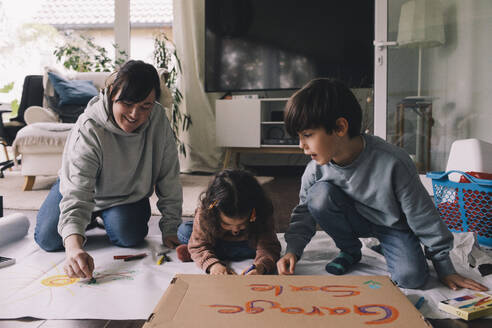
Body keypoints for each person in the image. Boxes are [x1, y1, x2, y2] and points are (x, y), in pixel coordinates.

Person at [276, 78, 488, 291]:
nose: (301, 145)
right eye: (299, 137)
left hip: (392, 226)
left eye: (307, 135)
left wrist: (444, 267)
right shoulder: (315, 169)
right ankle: (350, 251)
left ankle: (389, 246)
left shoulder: (393, 161)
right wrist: (292, 251)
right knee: (318, 195)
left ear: (340, 127)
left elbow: (422, 214)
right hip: (353, 219)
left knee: (411, 278)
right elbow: (304, 213)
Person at [34, 60, 183, 279]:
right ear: (112, 93)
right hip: (80, 188)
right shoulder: (89, 127)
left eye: (145, 106)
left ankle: (100, 217)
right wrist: (74, 248)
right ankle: (89, 218)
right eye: (128, 103)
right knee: (49, 240)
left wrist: (171, 227)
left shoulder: (158, 119)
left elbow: (168, 176)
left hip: (126, 194)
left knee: (130, 237)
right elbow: (77, 192)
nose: (135, 114)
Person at [176, 169, 281, 275]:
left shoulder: (262, 210)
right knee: (184, 231)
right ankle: (204, 255)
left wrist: (261, 266)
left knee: (267, 250)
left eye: (241, 224)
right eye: (226, 224)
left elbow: (268, 247)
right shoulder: (207, 211)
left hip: (247, 245)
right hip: (216, 241)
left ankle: (201, 254)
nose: (235, 229)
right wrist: (213, 265)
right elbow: (198, 244)